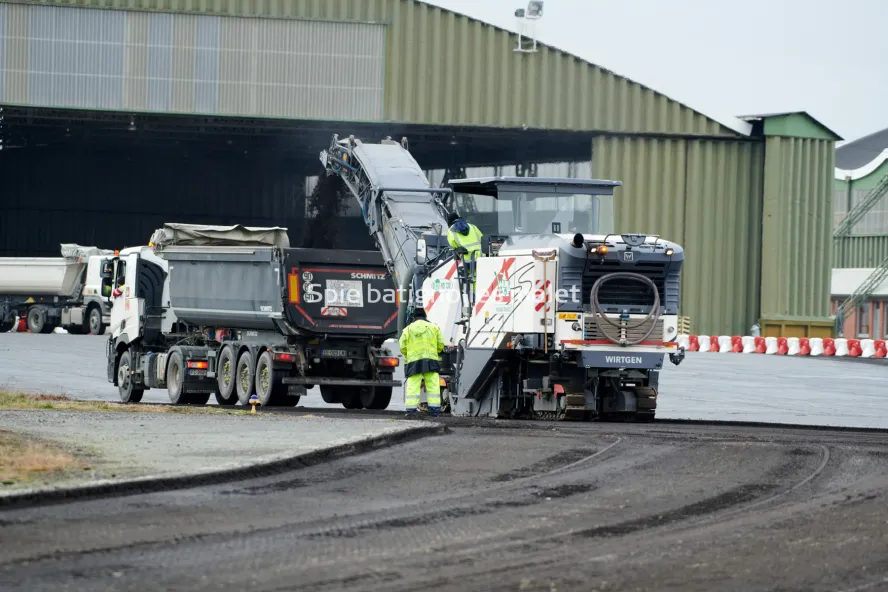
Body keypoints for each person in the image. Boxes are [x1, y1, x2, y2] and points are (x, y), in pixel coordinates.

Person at [398, 306, 445, 417]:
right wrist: (435, 352)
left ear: (413, 317)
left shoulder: (407, 330)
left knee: (413, 385)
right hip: (431, 360)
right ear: (425, 316)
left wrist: (408, 355)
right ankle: (434, 411)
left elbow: (402, 346)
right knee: (433, 385)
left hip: (413, 361)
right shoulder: (434, 327)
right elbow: (441, 344)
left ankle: (411, 411)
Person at [446, 212, 484, 295]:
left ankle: (472, 298)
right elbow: (481, 238)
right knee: (479, 278)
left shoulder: (451, 231)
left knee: (469, 280)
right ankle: (478, 296)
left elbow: (453, 245)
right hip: (480, 257)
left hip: (466, 260)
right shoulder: (472, 227)